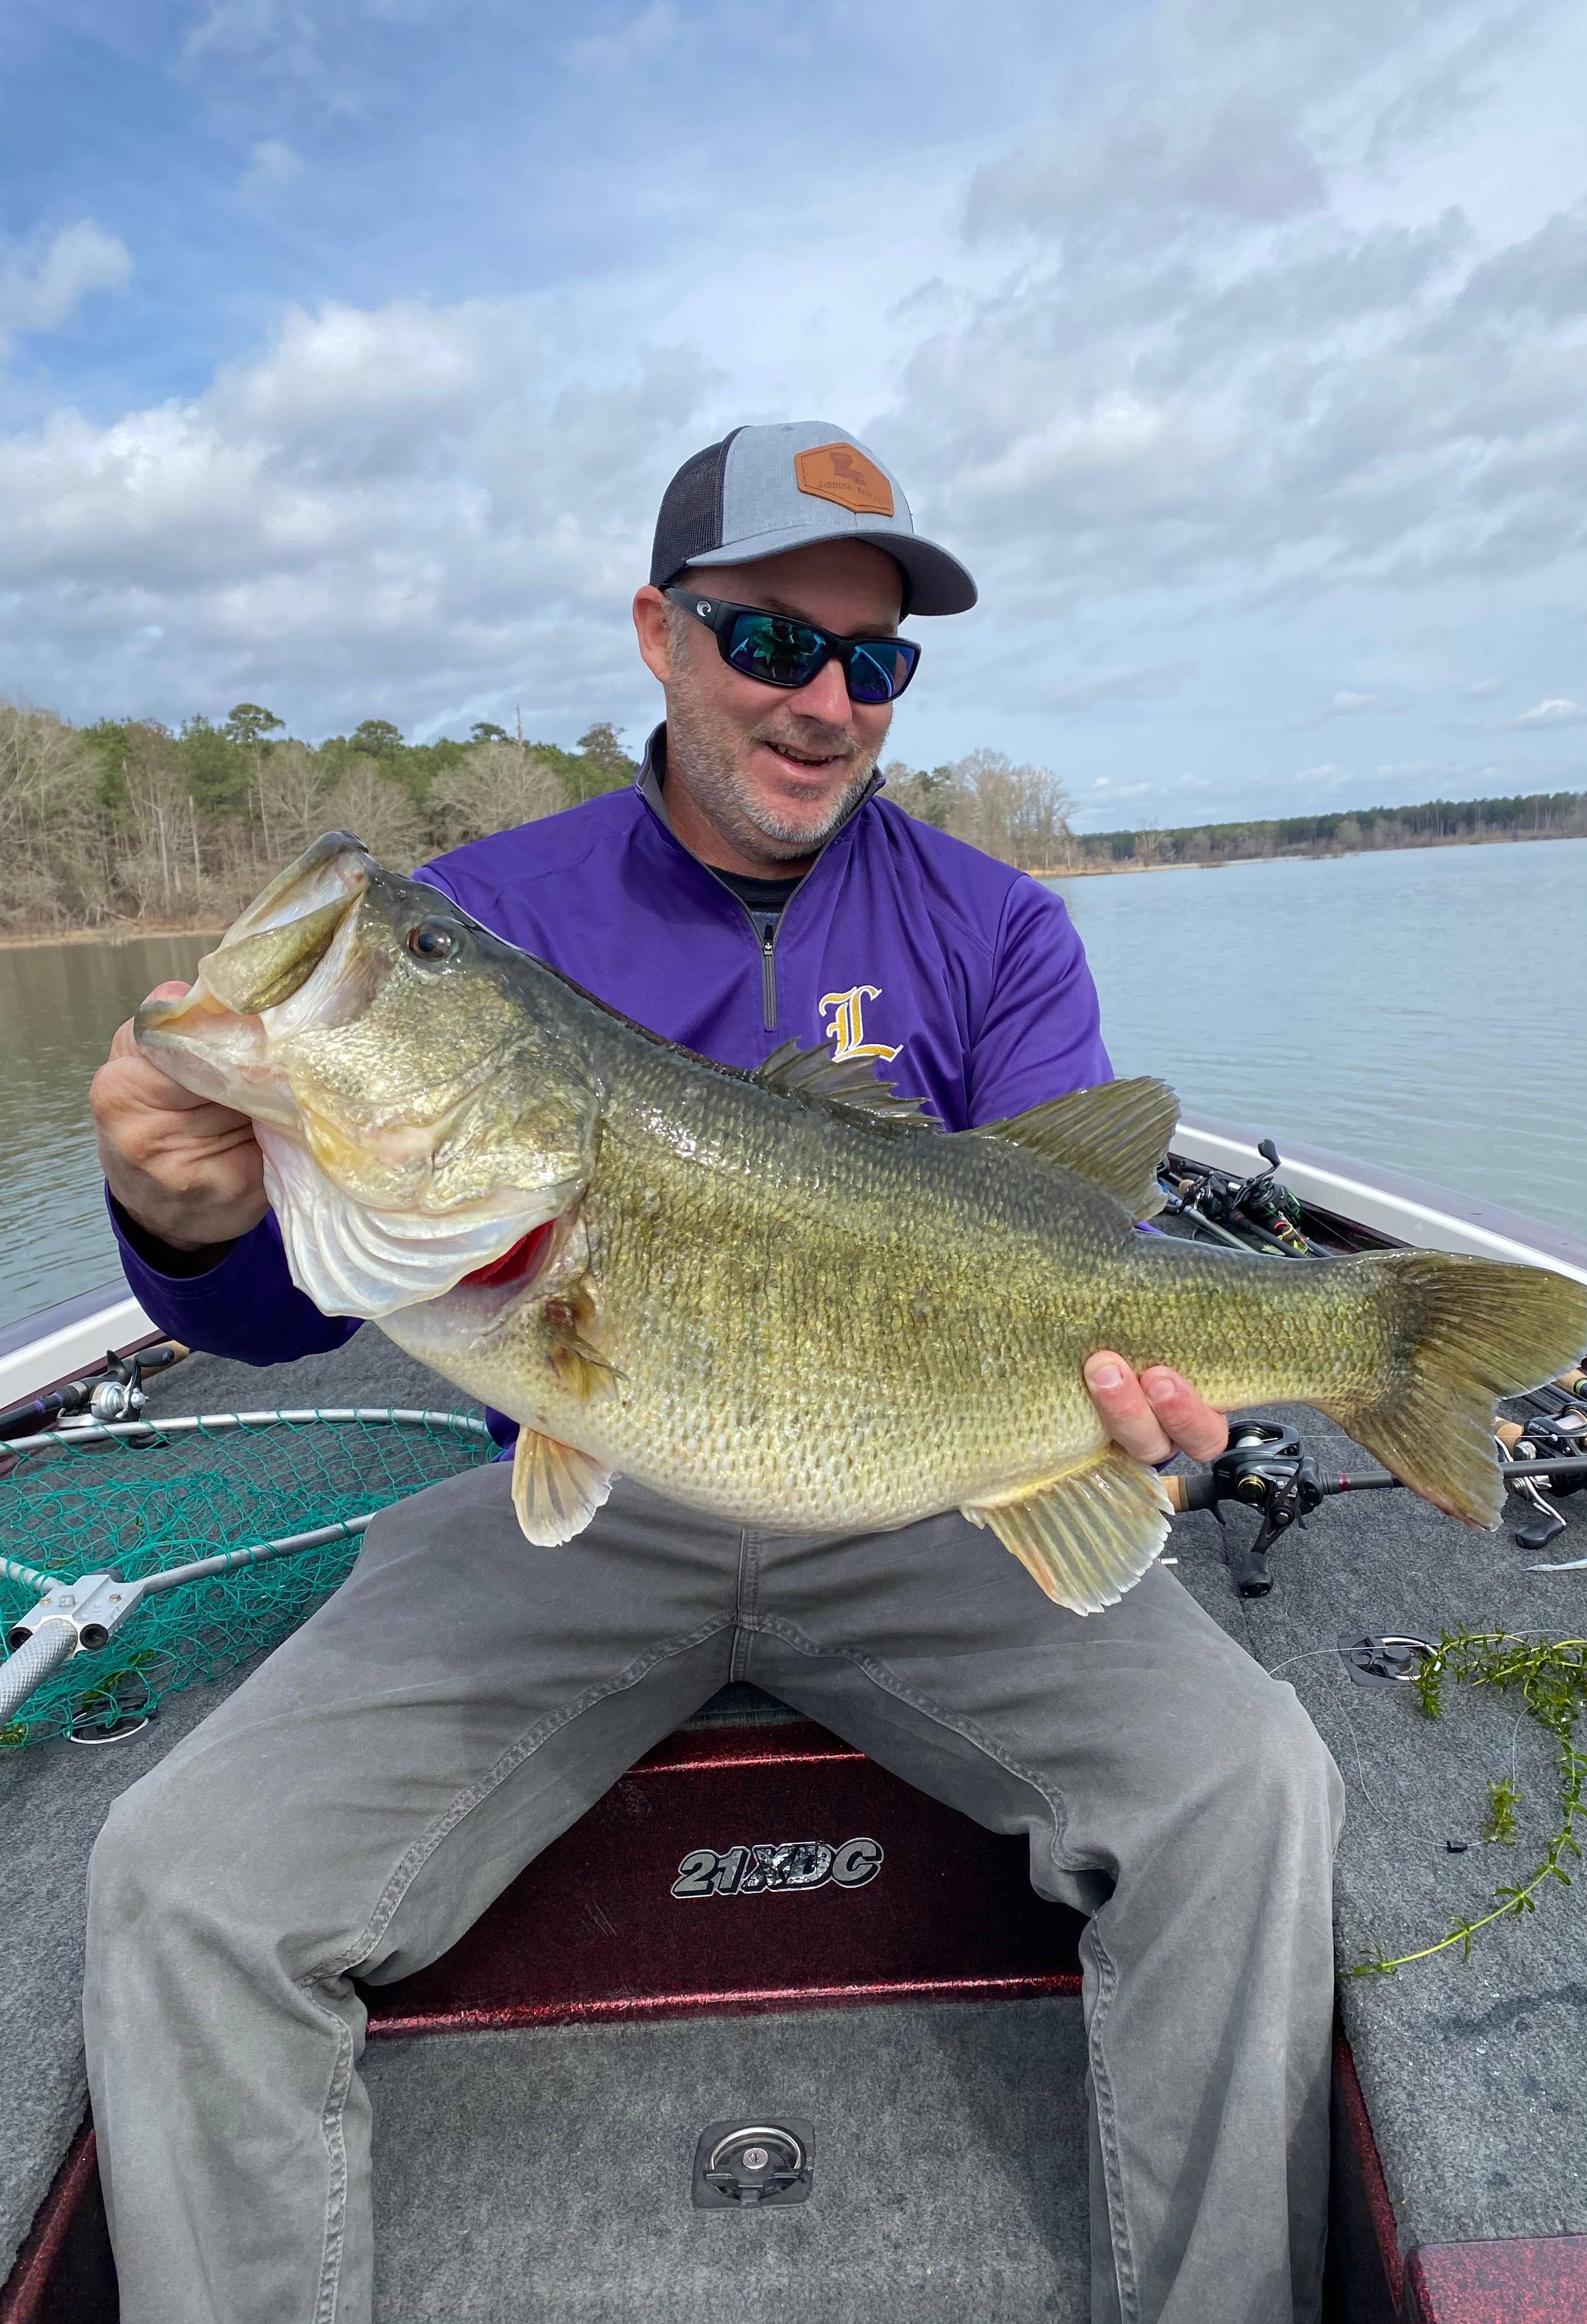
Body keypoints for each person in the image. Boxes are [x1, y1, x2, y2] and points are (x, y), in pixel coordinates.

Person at [85, 421, 1343, 2324]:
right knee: (180, 1882)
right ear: (658, 634)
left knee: (1251, 1786)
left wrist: (1140, 1440)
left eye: (876, 661)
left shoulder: (999, 930)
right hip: (571, 1502)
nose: (826, 702)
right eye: (771, 642)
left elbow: (1083, 1260)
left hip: (927, 1504)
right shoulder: (486, 919)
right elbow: (279, 1315)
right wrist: (180, 1219)